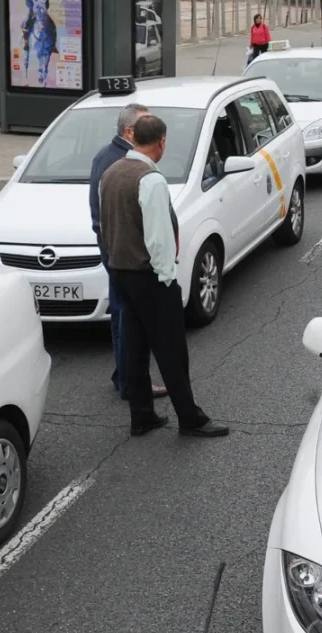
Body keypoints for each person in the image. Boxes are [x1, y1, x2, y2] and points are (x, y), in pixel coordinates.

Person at [99, 115, 229, 438]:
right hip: (150, 276)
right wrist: (167, 278)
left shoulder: (110, 173)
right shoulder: (151, 180)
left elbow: (106, 224)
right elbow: (158, 238)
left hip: (120, 271)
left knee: (136, 344)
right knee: (171, 349)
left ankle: (141, 415)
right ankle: (190, 418)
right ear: (161, 142)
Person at [89, 104, 168, 402]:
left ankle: (122, 375)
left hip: (111, 249)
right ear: (130, 132)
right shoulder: (127, 161)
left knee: (120, 315)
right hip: (126, 254)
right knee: (131, 319)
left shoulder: (102, 154)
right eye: (144, 123)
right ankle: (133, 382)